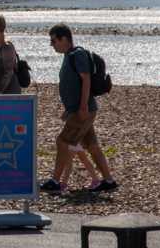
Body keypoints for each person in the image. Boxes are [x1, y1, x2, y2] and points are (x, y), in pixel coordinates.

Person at [39, 25, 118, 194]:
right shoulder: (69, 56)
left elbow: (86, 79)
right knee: (91, 145)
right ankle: (108, 181)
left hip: (83, 110)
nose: (52, 45)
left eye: (54, 41)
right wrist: (69, 109)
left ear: (64, 39)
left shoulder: (78, 54)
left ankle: (55, 181)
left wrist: (82, 107)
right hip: (79, 110)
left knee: (62, 141)